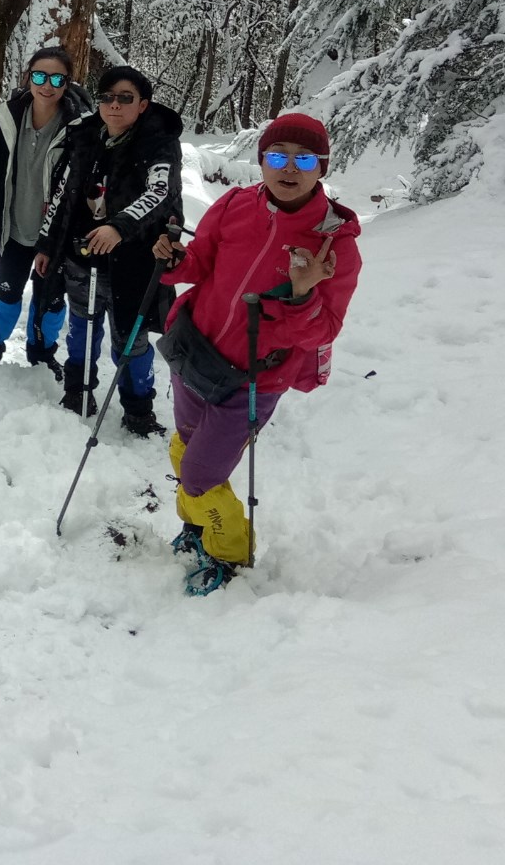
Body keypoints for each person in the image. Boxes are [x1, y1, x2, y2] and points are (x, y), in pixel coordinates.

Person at [154, 112, 364, 593]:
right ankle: (198, 526)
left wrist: (302, 294)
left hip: (254, 378)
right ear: (262, 160)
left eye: (304, 158)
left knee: (201, 476)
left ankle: (230, 554)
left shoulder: (335, 245)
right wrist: (175, 259)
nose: (289, 168)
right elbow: (201, 262)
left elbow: (323, 331)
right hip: (194, 353)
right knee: (185, 447)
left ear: (322, 167)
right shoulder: (233, 205)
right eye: (277, 156)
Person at [33, 65, 184, 435]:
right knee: (82, 329)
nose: (114, 105)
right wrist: (47, 244)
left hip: (134, 261)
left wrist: (119, 226)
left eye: (125, 98)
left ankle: (138, 408)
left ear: (143, 104)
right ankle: (78, 392)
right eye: (107, 97)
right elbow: (62, 196)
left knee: (129, 339)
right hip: (81, 257)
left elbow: (160, 193)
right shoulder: (84, 136)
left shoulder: (158, 142)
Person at [0, 46, 91, 370]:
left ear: (68, 82)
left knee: (51, 297)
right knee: (7, 290)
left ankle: (42, 354)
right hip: (13, 226)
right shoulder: (9, 117)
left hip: (55, 234)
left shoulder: (80, 128)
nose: (48, 85)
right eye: (40, 76)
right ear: (28, 77)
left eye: (57, 78)